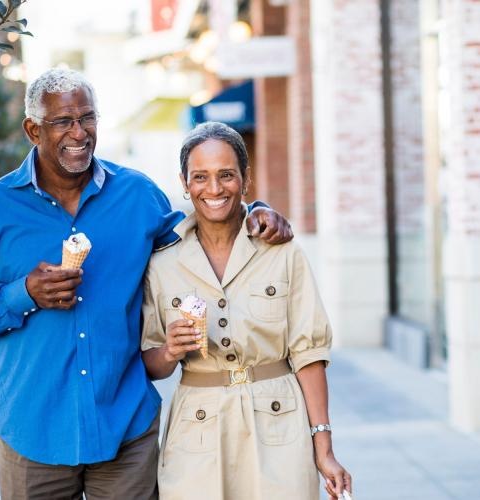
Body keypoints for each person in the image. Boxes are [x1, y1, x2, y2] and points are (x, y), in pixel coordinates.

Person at [0, 69, 292, 499]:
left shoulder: (137, 196)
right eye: (63, 122)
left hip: (125, 429)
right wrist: (23, 293)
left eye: (87, 118)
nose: (79, 133)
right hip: (32, 431)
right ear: (33, 129)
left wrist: (255, 209)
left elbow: (204, 234)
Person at [141, 121, 352, 500]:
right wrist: (171, 349)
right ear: (185, 183)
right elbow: (152, 364)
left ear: (246, 178)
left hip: (279, 423)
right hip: (196, 430)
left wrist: (325, 449)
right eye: (200, 177)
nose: (215, 188)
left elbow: (309, 354)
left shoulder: (283, 252)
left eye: (226, 175)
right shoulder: (162, 264)